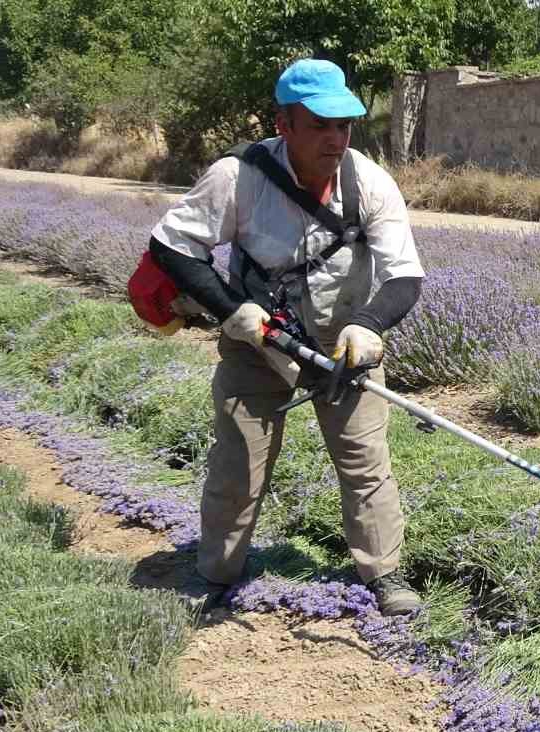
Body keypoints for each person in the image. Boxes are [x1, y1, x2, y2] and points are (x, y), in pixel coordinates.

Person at [148, 58, 425, 618]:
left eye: (343, 125)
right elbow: (172, 246)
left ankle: (385, 573)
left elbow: (404, 274)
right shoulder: (236, 177)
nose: (335, 138)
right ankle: (216, 573)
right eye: (320, 125)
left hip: (343, 346)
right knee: (238, 461)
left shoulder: (369, 181)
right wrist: (232, 313)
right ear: (284, 125)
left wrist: (368, 326)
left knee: (366, 462)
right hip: (258, 340)